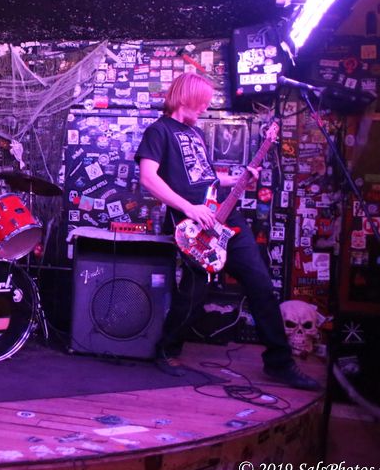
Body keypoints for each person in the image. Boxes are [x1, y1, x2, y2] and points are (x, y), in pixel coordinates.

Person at [135, 73, 319, 390]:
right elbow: (148, 178)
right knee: (194, 293)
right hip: (193, 227)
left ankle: (279, 363)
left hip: (226, 219)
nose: (205, 108)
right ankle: (167, 349)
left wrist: (238, 179)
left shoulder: (196, 133)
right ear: (187, 97)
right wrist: (190, 208)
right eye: (202, 102)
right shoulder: (158, 131)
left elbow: (205, 179)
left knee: (260, 283)